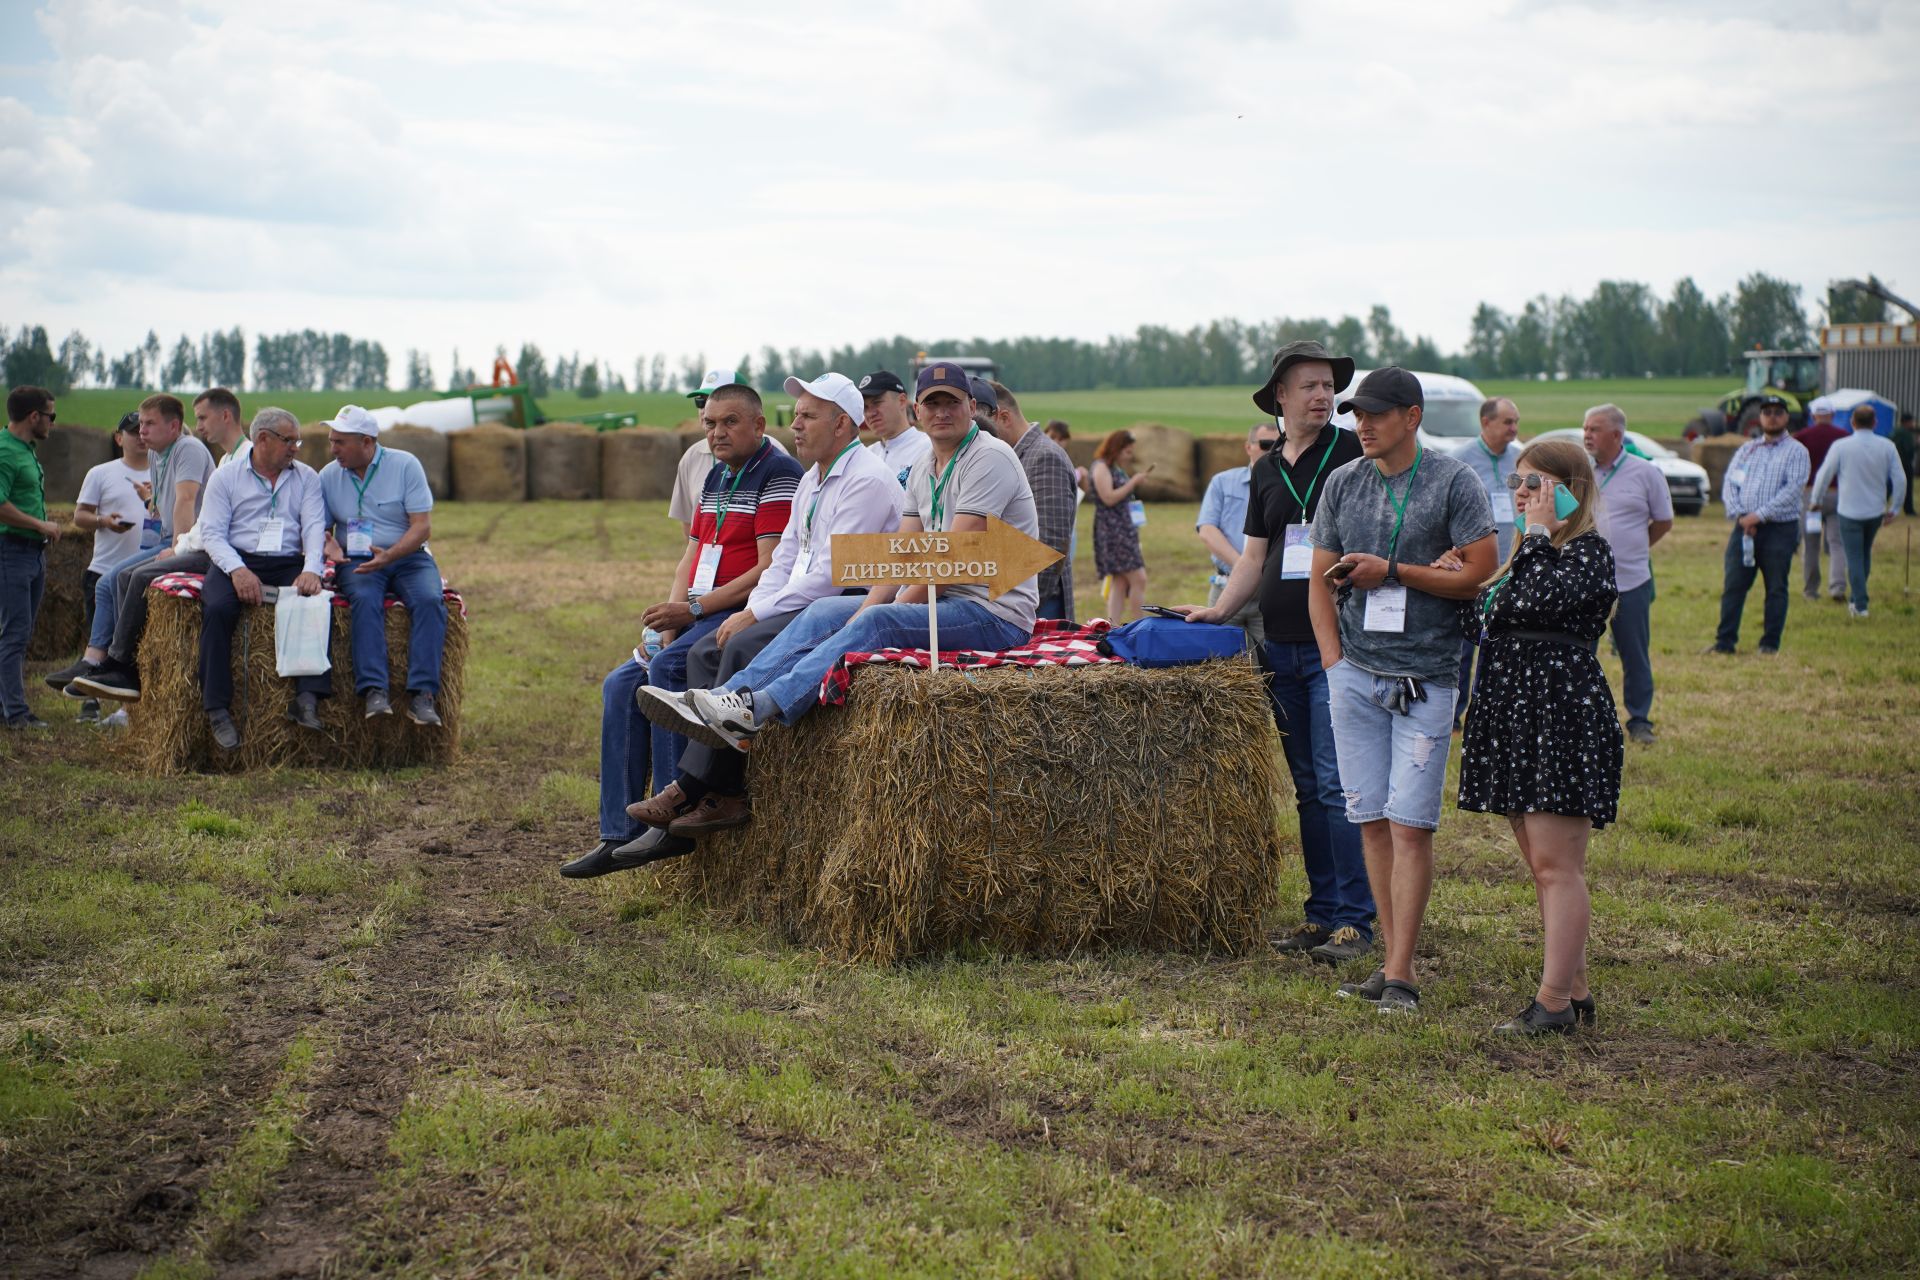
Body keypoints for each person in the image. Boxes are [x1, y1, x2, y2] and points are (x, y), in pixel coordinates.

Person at [596, 373, 907, 875]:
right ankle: (690, 798)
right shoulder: (815, 475)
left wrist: (755, 612)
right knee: (697, 655)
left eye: (807, 416)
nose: (797, 425)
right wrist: (752, 609)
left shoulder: (864, 479)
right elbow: (786, 558)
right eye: (796, 414)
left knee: (730, 652)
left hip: (844, 600)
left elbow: (830, 574)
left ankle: (704, 790)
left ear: (842, 424)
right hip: (797, 598)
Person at [660, 361, 1040, 765]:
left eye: (952, 403)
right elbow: (900, 558)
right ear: (917, 409)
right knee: (828, 610)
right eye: (933, 403)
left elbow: (947, 558)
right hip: (945, 602)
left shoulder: (989, 458)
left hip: (993, 612)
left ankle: (761, 707)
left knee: (878, 620)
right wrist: (862, 611)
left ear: (971, 407)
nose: (942, 412)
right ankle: (728, 698)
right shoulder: (922, 469)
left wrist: (877, 616)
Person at [1307, 367, 1497, 1014]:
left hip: (1427, 676)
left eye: (1376, 414)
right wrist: (1334, 663)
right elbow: (1317, 580)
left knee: (1411, 826)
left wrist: (1392, 571)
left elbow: (1480, 574)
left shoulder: (1455, 480)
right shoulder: (1341, 482)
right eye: (1356, 414)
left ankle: (1402, 975)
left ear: (1411, 417)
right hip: (1354, 674)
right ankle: (1388, 965)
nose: (1362, 425)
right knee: (1372, 825)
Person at [1187, 340, 1371, 965]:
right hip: (1275, 645)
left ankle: (1357, 919)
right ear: (1282, 398)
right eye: (1311, 387)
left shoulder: (1352, 452)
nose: (1324, 396)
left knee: (1339, 784)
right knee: (1307, 786)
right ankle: (1321, 915)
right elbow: (1256, 559)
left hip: (1335, 646)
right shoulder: (1265, 469)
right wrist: (1219, 611)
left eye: (1330, 386)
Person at [573, 384, 801, 874]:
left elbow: (768, 568)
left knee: (672, 668)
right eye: (710, 423)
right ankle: (618, 833)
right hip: (700, 608)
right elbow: (692, 554)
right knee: (620, 683)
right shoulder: (718, 475)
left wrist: (693, 613)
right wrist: (672, 615)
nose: (717, 432)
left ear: (759, 426)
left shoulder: (779, 473)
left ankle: (673, 813)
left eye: (730, 422)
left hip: (737, 606)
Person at [1457, 440, 1621, 1035]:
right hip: (1512, 716)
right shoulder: (1526, 553)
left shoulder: (1587, 552)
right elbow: (1486, 621)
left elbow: (1542, 599)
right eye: (1517, 485)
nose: (1522, 496)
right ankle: (1575, 993)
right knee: (1541, 864)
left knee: (1557, 867)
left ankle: (1552, 1004)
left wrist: (1537, 534)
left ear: (1570, 491)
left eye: (1536, 486)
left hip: (1559, 717)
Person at [69, 390, 249, 703]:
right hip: (193, 541)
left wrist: (178, 546)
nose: (142, 431)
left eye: (150, 424)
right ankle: (106, 662)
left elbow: (188, 501)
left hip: (204, 547)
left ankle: (120, 663)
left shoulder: (203, 451)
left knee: (132, 578)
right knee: (114, 580)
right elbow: (185, 510)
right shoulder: (212, 458)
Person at [193, 408, 330, 750]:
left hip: (286, 560)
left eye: (297, 440)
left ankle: (308, 698)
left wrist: (312, 568)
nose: (296, 447)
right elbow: (211, 534)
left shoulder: (306, 477)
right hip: (236, 558)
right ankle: (218, 710)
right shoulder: (226, 478)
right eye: (289, 440)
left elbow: (314, 528)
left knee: (313, 601)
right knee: (219, 609)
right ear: (263, 439)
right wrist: (237, 570)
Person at [317, 405, 447, 725]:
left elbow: (422, 527)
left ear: (366, 442)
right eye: (332, 440)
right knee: (364, 599)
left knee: (431, 600)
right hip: (357, 558)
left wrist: (390, 555)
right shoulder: (328, 475)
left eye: (340, 442)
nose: (333, 449)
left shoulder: (405, 465)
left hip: (409, 556)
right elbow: (319, 528)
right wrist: (329, 544)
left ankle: (423, 696)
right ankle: (374, 690)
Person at [48, 414, 152, 721]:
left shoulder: (162, 472)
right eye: (132, 432)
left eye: (143, 431)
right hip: (104, 569)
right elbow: (79, 517)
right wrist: (103, 522)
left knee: (136, 641)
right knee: (99, 636)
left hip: (142, 573)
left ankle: (127, 708)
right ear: (118, 438)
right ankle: (89, 700)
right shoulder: (101, 473)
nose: (139, 437)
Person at [1583, 403, 1671, 745]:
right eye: (1585, 428)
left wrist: (1636, 549)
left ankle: (1639, 720)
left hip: (1631, 580)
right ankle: (1585, 719)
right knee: (1581, 654)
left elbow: (1663, 521)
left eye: (1595, 429)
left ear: (1616, 435)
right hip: (1586, 583)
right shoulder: (1580, 472)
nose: (1587, 435)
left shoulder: (1646, 473)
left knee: (1634, 653)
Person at [1713, 395, 1809, 655]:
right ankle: (1724, 642)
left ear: (1786, 417)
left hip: (1779, 529)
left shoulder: (1797, 451)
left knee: (1776, 587)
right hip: (1743, 527)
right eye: (1768, 412)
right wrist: (1741, 515)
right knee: (1734, 585)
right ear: (1761, 417)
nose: (1773, 416)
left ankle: (1769, 644)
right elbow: (1730, 484)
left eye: (1778, 412)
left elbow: (1792, 490)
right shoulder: (1747, 449)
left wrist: (1759, 516)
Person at [1451, 396, 1523, 730]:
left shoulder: (1521, 459)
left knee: (1502, 644)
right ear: (1485, 422)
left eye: (1516, 422)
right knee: (1466, 645)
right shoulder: (1461, 461)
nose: (1514, 429)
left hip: (1512, 565)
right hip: (1475, 568)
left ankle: (1489, 712)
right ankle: (1454, 712)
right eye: (1507, 422)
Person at [985, 379, 1077, 620]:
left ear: (1003, 418)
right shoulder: (1010, 457)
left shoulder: (1044, 458)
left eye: (982, 427)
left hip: (1038, 606)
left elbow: (1049, 546)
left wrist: (1025, 607)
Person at [1, 386, 62, 730]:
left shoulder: (24, 449)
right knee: (14, 635)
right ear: (34, 416)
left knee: (18, 634)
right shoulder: (5, 453)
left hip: (31, 553)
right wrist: (39, 523)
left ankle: (6, 706)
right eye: (51, 416)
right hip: (12, 551)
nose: (54, 423)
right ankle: (16, 714)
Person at [1810, 403, 1906, 618]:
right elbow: (1900, 479)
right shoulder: (1887, 446)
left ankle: (1861, 604)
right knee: (1864, 555)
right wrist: (1896, 507)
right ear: (1875, 422)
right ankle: (1855, 598)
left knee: (1853, 556)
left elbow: (1824, 474)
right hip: (1875, 511)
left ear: (1853, 422)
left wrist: (1816, 499)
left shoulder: (1841, 446)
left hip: (1849, 511)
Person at [1194, 422, 1281, 647]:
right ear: (1248, 447)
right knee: (1220, 664)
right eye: (1265, 444)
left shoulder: (1286, 487)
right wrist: (1245, 568)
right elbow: (1207, 529)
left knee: (1268, 668)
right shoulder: (1223, 482)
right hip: (1226, 587)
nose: (1272, 450)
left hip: (1268, 594)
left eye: (1278, 444)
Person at [1090, 430, 1152, 622]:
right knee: (1138, 578)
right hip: (1113, 531)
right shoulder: (1101, 467)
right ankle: (1138, 623)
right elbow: (1108, 498)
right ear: (1116, 448)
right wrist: (1133, 482)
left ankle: (1112, 625)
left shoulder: (1115, 468)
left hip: (1124, 529)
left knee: (1120, 580)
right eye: (1127, 451)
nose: (1130, 455)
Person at [1793, 399, 1849, 602]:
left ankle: (1810, 591)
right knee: (1837, 544)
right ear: (1832, 415)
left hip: (1809, 496)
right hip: (1837, 494)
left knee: (1811, 545)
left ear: (1813, 415)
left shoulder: (1801, 437)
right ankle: (1837, 587)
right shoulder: (1844, 437)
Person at [859, 369, 930, 489]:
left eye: (877, 403)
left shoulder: (928, 450)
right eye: (865, 407)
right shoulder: (866, 454)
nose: (870, 413)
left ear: (902, 401)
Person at [1894, 412, 1917, 517]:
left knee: (1891, 486)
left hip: (1895, 463)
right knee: (1908, 487)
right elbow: (1909, 450)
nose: (1913, 423)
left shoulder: (1896, 431)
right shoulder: (1906, 434)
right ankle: (1909, 509)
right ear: (1907, 422)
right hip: (1905, 463)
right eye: (1912, 421)